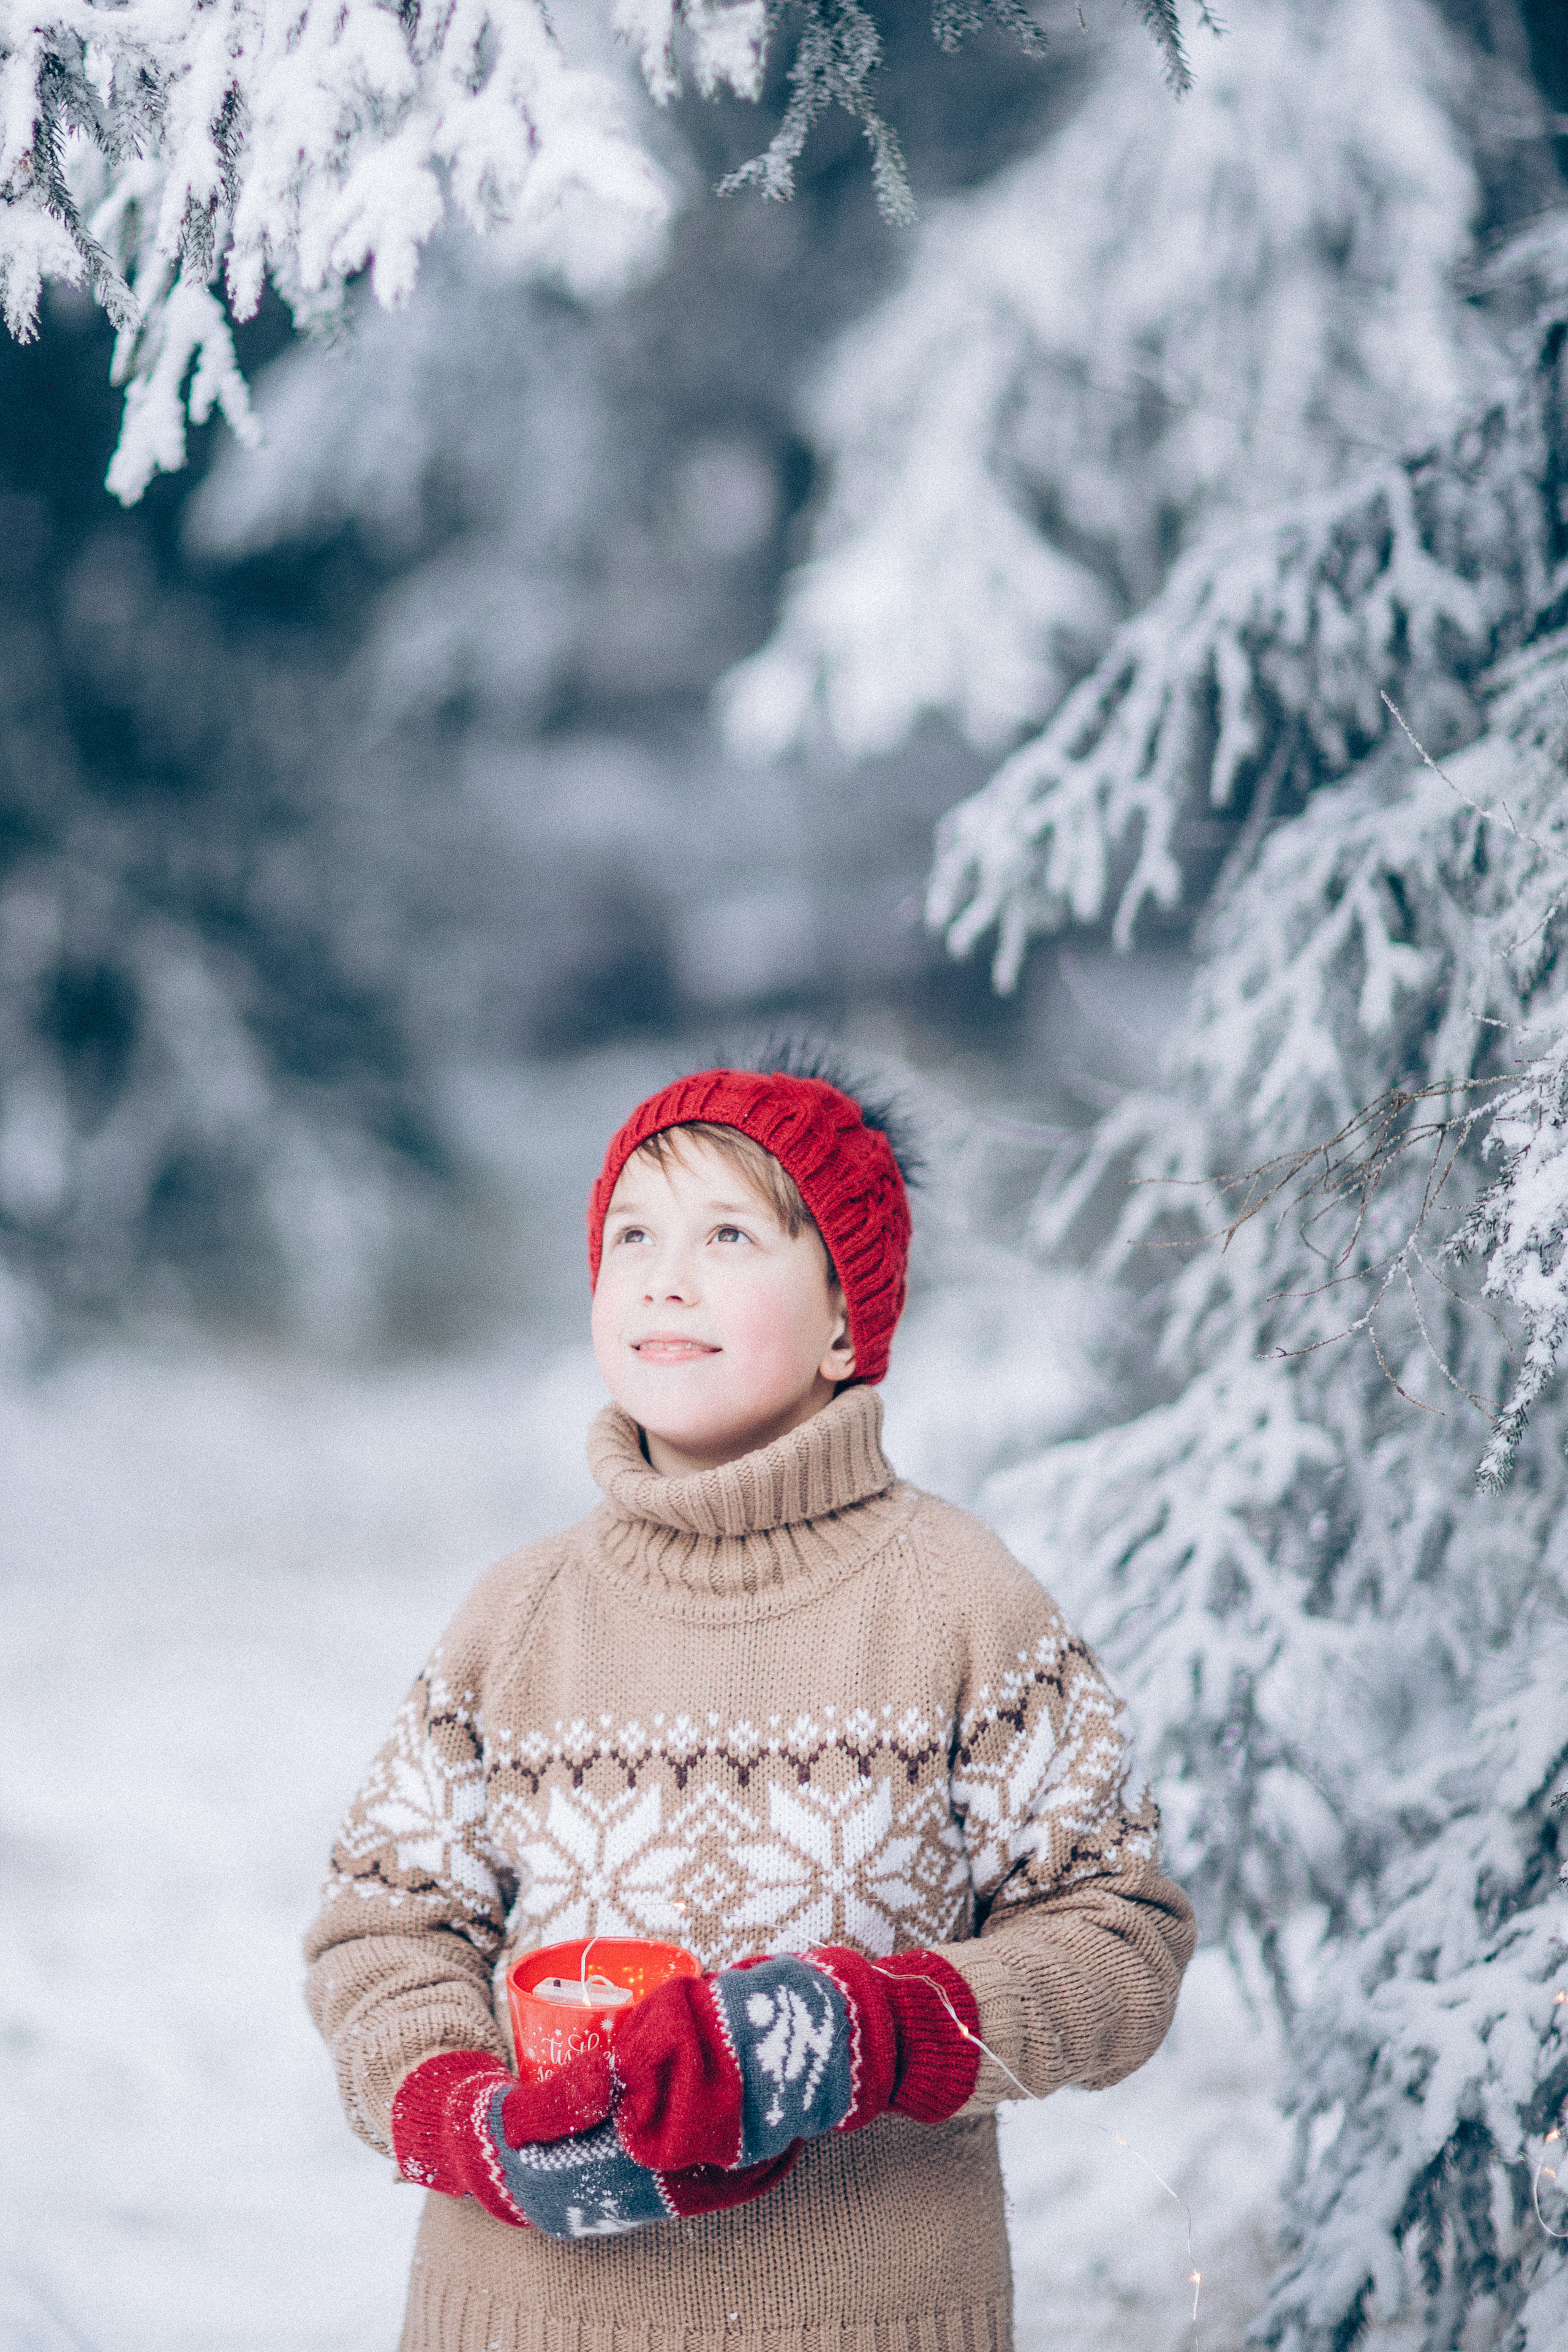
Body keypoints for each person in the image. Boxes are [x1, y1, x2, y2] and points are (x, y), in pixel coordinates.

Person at [304, 1055, 1196, 2352]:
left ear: (846, 1323)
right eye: (631, 1236)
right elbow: (380, 1928)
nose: (665, 1274)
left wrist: (865, 2031)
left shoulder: (959, 1602)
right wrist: (453, 2110)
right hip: (522, 2318)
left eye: (728, 1234)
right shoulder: (518, 1617)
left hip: (862, 2316)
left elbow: (1120, 1944)